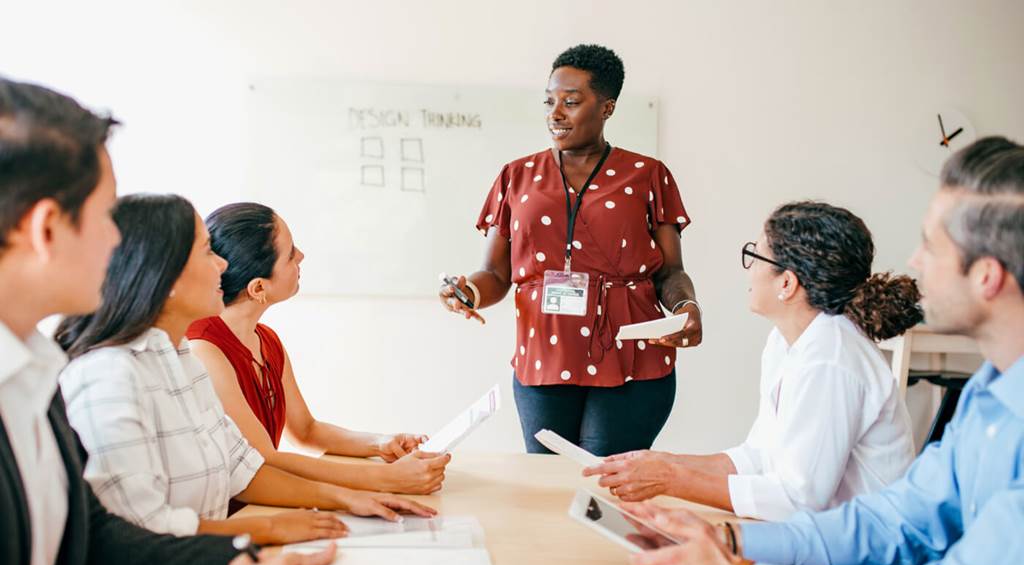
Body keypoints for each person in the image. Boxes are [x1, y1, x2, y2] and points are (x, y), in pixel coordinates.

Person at [624, 136, 1024, 565]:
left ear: (987, 276)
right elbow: (898, 519)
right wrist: (732, 542)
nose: (914, 260)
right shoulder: (986, 394)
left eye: (931, 247)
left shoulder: (833, 355)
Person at [0, 76, 327, 565]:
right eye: (106, 215)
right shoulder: (92, 373)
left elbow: (92, 535)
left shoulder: (35, 376)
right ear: (45, 229)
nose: (120, 240)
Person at [56, 193, 436, 546]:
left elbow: (245, 467)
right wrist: (267, 527)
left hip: (207, 557)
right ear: (165, 279)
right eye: (206, 252)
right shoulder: (111, 377)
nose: (221, 265)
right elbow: (142, 531)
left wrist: (350, 498)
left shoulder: (182, 360)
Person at [439, 44, 702, 456]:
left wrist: (686, 306)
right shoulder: (517, 175)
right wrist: (466, 292)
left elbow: (669, 272)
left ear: (607, 108)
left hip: (630, 358)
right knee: (548, 484)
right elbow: (494, 274)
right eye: (549, 101)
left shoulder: (647, 175)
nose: (555, 113)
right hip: (545, 357)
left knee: (605, 483)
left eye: (571, 102)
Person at [585, 201, 919, 520]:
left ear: (787, 283)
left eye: (755, 257)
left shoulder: (830, 359)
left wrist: (671, 479)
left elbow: (797, 500)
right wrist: (660, 463)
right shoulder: (786, 341)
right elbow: (758, 457)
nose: (748, 271)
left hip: (866, 559)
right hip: (822, 535)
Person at [187, 202, 449, 494]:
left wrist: (380, 443)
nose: (301, 256)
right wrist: (385, 478)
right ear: (258, 288)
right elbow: (264, 461)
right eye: (289, 255)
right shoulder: (205, 350)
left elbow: (305, 431)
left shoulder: (266, 339)